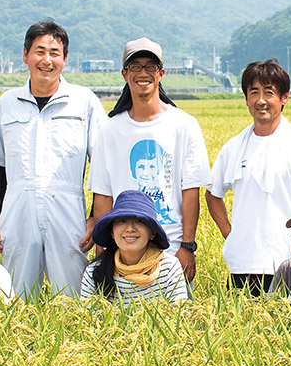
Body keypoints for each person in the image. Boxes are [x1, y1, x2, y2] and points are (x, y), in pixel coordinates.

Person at [0, 19, 106, 298]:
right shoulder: (7, 103)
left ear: (65, 59)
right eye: (39, 51)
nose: (47, 60)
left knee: (72, 295)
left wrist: (96, 217)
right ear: (25, 55)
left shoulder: (83, 101)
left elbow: (102, 165)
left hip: (68, 209)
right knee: (15, 296)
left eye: (54, 53)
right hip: (17, 211)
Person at [206, 59, 291, 296]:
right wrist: (230, 234)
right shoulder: (233, 147)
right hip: (241, 264)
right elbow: (213, 194)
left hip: (288, 263)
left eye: (269, 92)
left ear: (284, 98)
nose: (261, 100)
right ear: (246, 99)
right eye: (253, 92)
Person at [86, 38, 211, 283]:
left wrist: (187, 245)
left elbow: (190, 193)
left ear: (161, 73)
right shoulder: (110, 132)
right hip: (122, 252)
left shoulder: (184, 125)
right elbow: (102, 197)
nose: (143, 73)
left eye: (150, 67)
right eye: (135, 67)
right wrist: (102, 253)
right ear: (124, 74)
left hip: (171, 248)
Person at [80, 190, 188, 304]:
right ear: (112, 232)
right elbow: (88, 318)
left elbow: (178, 316)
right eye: (122, 221)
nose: (130, 229)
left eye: (140, 221)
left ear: (152, 232)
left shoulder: (169, 268)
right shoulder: (94, 271)